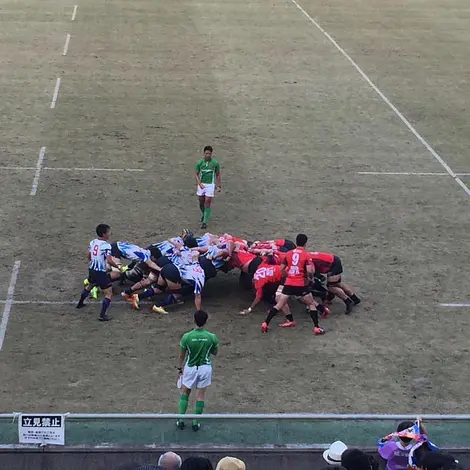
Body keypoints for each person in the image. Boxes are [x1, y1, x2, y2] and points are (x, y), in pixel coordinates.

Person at [261, 234, 325, 334]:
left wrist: (288, 275)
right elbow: (309, 271)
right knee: (311, 304)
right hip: (300, 283)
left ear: (296, 241)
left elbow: (281, 268)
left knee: (279, 304)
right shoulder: (306, 254)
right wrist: (311, 279)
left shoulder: (288, 253)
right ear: (305, 243)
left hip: (289, 283)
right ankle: (316, 327)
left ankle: (265, 323)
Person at [176, 310, 218, 432]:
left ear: (194, 320)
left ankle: (180, 420)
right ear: (206, 321)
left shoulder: (187, 337)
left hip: (190, 367)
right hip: (205, 368)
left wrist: (179, 368)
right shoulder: (211, 337)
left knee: (185, 393)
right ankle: (196, 422)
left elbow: (181, 356)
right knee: (200, 396)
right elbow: (215, 352)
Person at [76, 223, 120, 321]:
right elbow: (109, 260)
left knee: (90, 285)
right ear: (104, 234)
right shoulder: (106, 246)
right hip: (100, 272)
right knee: (108, 293)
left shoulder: (93, 242)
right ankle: (102, 315)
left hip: (92, 270)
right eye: (108, 232)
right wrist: (117, 266)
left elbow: (89, 256)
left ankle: (80, 303)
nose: (109, 234)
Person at [195, 145, 221, 229]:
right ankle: (204, 214)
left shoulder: (215, 163)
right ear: (204, 154)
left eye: (209, 154)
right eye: (206, 153)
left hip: (210, 185)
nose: (208, 155)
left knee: (207, 202)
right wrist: (199, 183)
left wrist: (218, 185)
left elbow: (217, 174)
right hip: (202, 184)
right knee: (201, 202)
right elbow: (196, 174)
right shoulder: (199, 163)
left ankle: (204, 222)